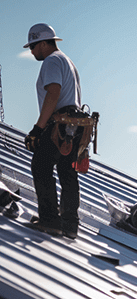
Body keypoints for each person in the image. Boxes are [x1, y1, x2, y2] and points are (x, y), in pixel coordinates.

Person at [23, 23, 83, 239]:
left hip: (58, 126)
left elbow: (54, 92)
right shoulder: (67, 61)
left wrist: (38, 128)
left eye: (32, 46)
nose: (31, 51)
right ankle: (69, 224)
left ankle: (49, 220)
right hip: (74, 128)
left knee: (41, 165)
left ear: (43, 43)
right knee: (67, 173)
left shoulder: (51, 61)